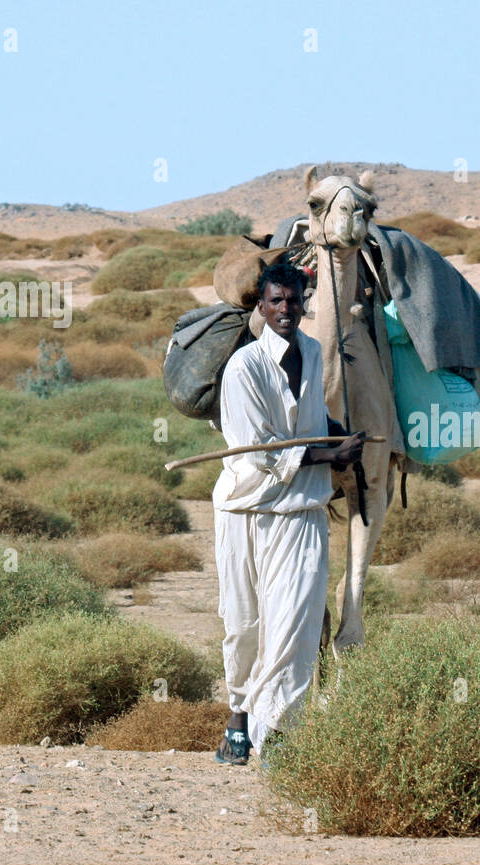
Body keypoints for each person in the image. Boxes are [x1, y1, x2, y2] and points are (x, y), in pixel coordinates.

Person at [212, 261, 364, 765]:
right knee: (245, 623)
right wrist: (330, 456)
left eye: (293, 301)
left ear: (304, 303)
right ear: (261, 305)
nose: (285, 310)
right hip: (246, 509)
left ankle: (278, 734)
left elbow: (311, 418)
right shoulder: (244, 368)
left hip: (301, 510)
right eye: (275, 301)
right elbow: (257, 451)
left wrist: (337, 433)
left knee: (295, 623)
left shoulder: (315, 351)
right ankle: (239, 713)